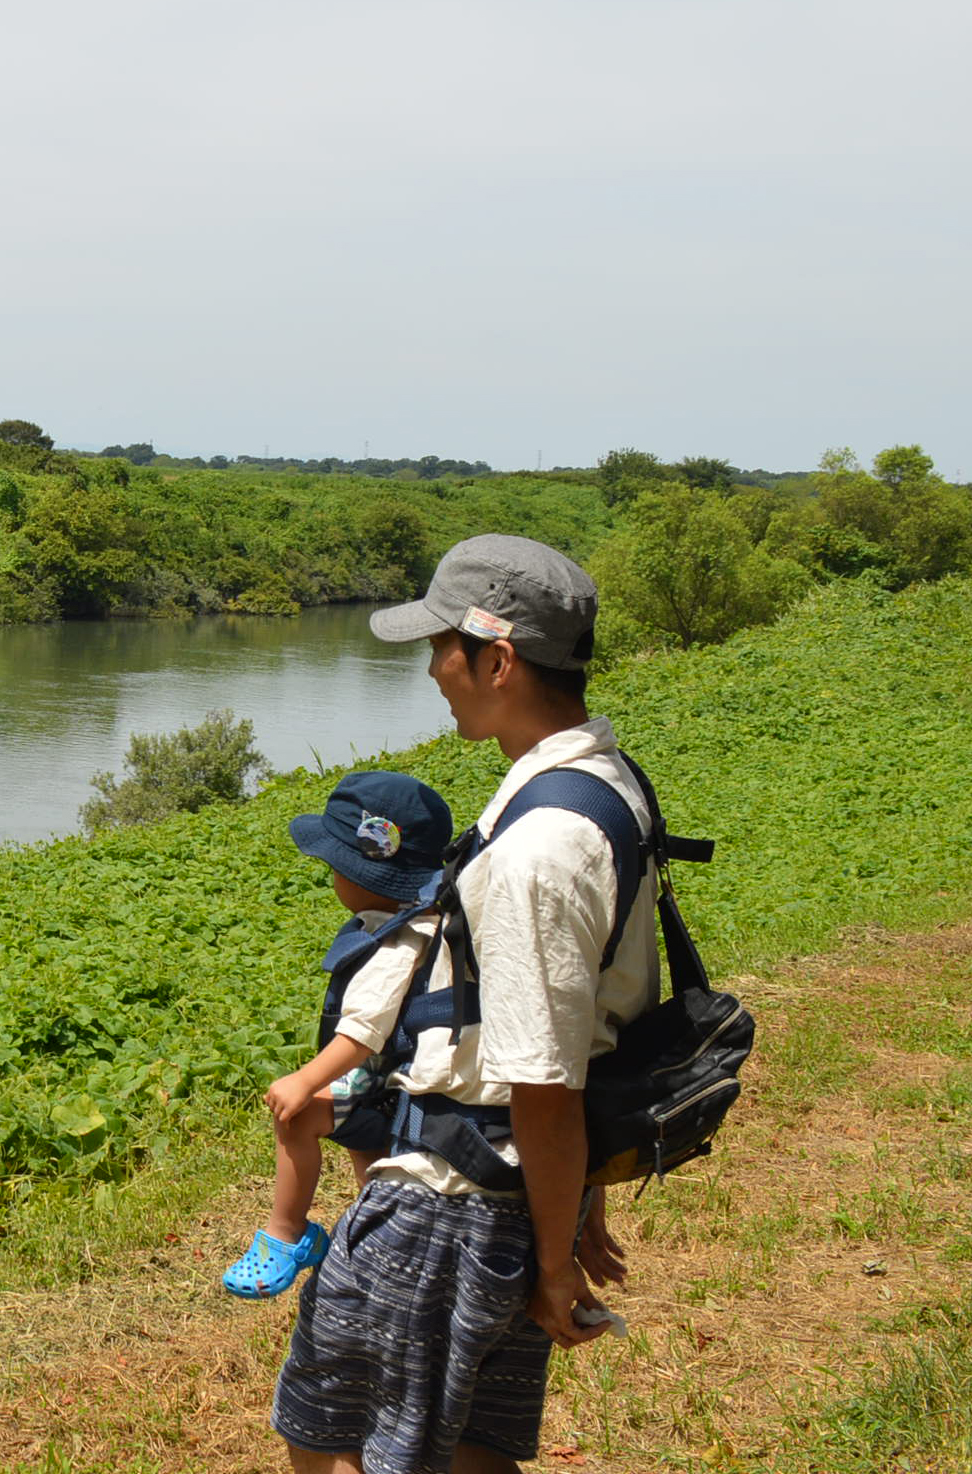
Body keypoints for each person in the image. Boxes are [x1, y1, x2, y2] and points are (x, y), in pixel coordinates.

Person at [271, 533, 653, 1474]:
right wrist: (571, 1209)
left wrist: (559, 1263)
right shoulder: (605, 786)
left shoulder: (535, 850)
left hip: (451, 1201)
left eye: (442, 647)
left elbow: (545, 1078)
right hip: (520, 1193)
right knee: (474, 1445)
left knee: (327, 1439)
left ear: (498, 657)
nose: (434, 669)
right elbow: (605, 1019)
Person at [223, 771, 453, 1299]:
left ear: (363, 873)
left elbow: (363, 1033)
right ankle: (374, 1237)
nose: (331, 878)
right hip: (395, 1079)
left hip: (384, 1080)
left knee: (299, 1115)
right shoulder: (417, 920)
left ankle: (288, 1234)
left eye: (334, 866)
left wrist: (305, 1079)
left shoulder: (397, 944)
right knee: (371, 1167)